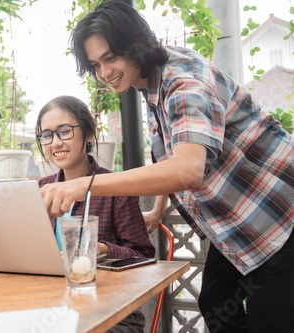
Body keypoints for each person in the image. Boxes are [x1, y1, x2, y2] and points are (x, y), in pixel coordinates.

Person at [40, 1, 294, 332]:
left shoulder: (182, 79)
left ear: (134, 45)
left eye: (110, 58)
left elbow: (189, 169)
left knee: (271, 317)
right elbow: (172, 156)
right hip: (237, 220)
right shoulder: (149, 84)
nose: (104, 73)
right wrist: (160, 209)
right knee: (216, 303)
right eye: (95, 64)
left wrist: (84, 184)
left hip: (278, 214)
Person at [36, 95, 155, 333]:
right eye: (47, 135)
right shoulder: (42, 188)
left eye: (64, 131)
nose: (55, 143)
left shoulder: (114, 187)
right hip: (53, 306)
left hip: (112, 312)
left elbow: (145, 257)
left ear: (89, 133)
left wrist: (102, 249)